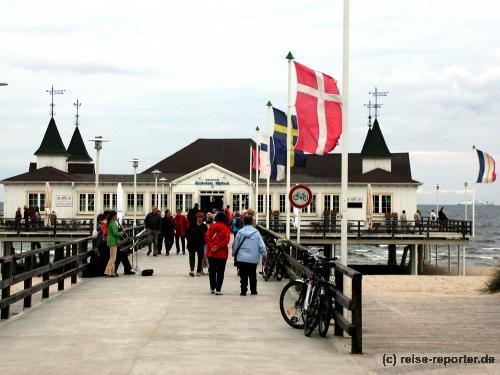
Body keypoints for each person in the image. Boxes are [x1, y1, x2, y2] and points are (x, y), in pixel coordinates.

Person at [232, 215, 267, 296]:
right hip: (253, 258)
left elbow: (235, 245)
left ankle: (243, 290)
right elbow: (261, 245)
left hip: (242, 258)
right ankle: (253, 290)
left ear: (243, 222)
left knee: (243, 275)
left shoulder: (240, 232)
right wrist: (264, 254)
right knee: (252, 274)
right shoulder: (256, 233)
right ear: (252, 222)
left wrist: (234, 254)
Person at [205, 212, 231, 295]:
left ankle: (212, 287)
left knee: (212, 271)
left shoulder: (212, 226)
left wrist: (212, 246)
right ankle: (218, 289)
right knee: (220, 271)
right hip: (222, 253)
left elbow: (207, 236)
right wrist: (218, 247)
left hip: (211, 253)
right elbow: (226, 239)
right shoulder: (225, 228)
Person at [186, 212, 208, 276]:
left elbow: (206, 236)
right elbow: (187, 233)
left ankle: (198, 271)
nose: (200, 219)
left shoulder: (204, 226)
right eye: (199, 217)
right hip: (192, 243)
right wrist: (189, 240)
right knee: (191, 256)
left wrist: (204, 242)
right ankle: (192, 270)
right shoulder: (192, 224)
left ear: (203, 218)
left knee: (200, 257)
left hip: (200, 244)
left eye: (201, 217)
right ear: (197, 217)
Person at [105, 210, 121, 277]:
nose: (116, 217)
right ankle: (107, 271)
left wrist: (119, 228)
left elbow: (114, 231)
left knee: (113, 257)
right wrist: (122, 233)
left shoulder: (111, 223)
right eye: (116, 216)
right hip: (113, 241)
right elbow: (115, 233)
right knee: (113, 258)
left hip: (112, 241)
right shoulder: (112, 223)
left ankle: (112, 273)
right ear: (113, 216)